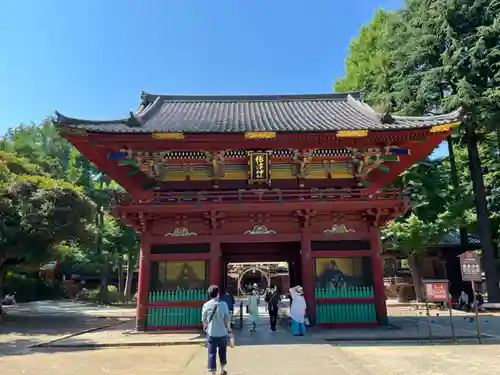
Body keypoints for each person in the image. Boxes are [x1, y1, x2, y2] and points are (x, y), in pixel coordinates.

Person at [202, 285, 231, 375]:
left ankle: (213, 373)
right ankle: (222, 370)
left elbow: (204, 320)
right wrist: (229, 330)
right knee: (222, 352)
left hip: (211, 333)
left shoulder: (206, 305)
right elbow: (227, 319)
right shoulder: (224, 304)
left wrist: (206, 327)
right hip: (222, 333)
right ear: (218, 294)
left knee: (211, 353)